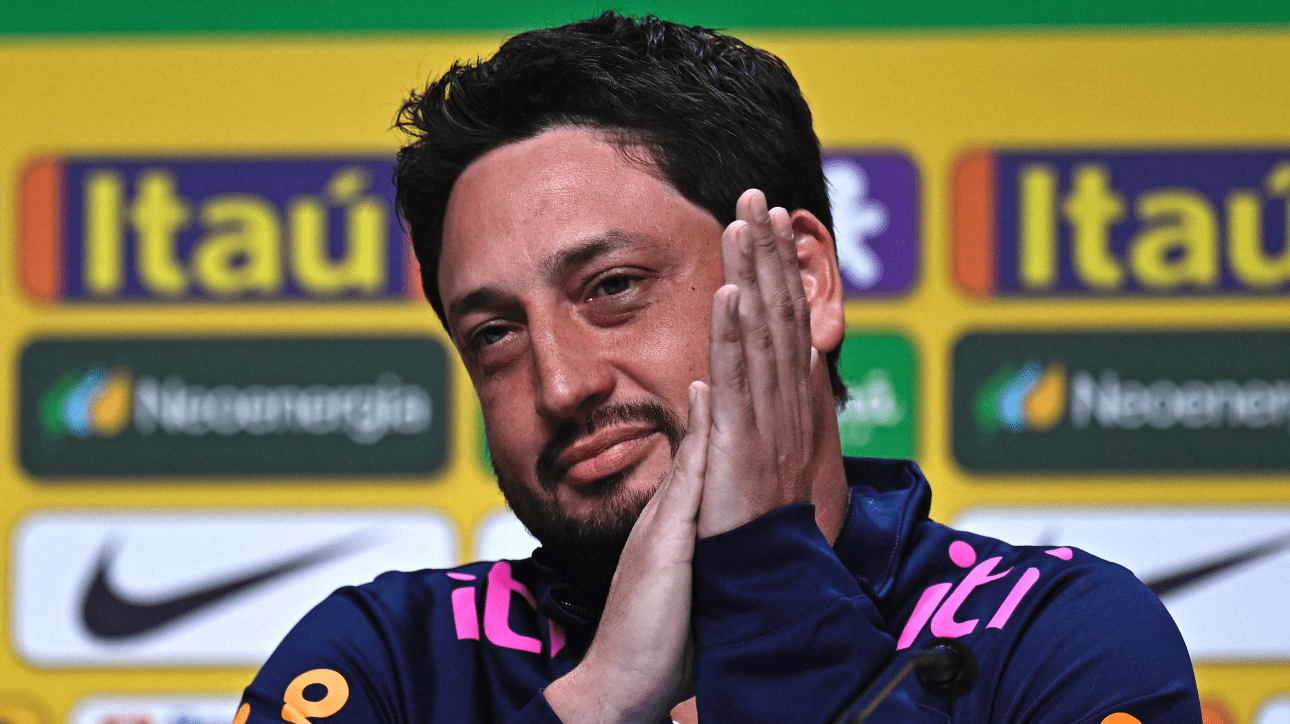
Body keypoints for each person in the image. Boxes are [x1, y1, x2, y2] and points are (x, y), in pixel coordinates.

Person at [236, 13, 1201, 724]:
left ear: (804, 282)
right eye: (495, 334)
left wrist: (771, 587)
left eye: (613, 286)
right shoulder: (389, 662)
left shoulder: (1051, 639)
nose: (561, 385)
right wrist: (597, 704)